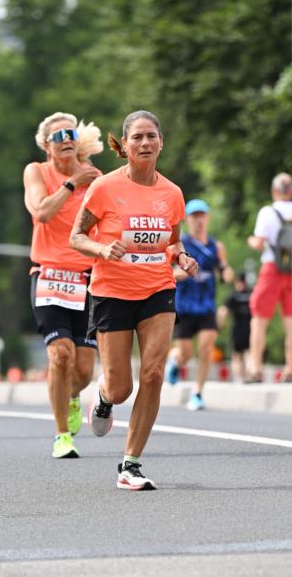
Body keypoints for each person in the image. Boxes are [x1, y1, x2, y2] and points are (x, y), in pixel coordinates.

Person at [70, 109, 198, 490]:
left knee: (154, 373)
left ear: (161, 143)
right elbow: (76, 236)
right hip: (111, 292)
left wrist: (181, 256)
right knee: (122, 386)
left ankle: (130, 464)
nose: (145, 143)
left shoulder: (172, 193)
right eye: (137, 137)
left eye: (151, 137)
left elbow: (172, 240)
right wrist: (100, 248)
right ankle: (105, 397)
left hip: (158, 289)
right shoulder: (105, 188)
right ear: (123, 146)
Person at [23, 112, 102, 459]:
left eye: (71, 132)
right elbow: (41, 212)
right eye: (58, 135)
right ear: (46, 144)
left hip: (88, 279)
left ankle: (72, 398)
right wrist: (73, 184)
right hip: (50, 274)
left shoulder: (95, 177)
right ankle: (61, 436)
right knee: (60, 355)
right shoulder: (37, 171)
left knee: (83, 370)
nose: (66, 139)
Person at [247, 172, 292, 382]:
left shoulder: (267, 212)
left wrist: (251, 240)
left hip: (271, 269)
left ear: (274, 191)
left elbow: (259, 244)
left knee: (259, 320)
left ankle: (256, 369)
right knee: (291, 320)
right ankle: (289, 369)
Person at [165, 199, 233, 410]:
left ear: (207, 218)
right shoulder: (181, 244)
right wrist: (181, 273)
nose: (199, 220)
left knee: (206, 348)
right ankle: (175, 362)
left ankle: (197, 393)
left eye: (202, 216)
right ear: (188, 220)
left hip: (206, 306)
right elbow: (169, 273)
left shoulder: (216, 246)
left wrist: (227, 274)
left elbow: (224, 270)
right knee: (185, 352)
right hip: (184, 306)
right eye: (194, 216)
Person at [218, 271, 253, 383]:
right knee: (248, 353)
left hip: (237, 329)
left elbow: (223, 311)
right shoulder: (251, 294)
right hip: (250, 328)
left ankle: (238, 378)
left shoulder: (233, 295)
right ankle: (249, 374)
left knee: (236, 355)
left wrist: (220, 324)